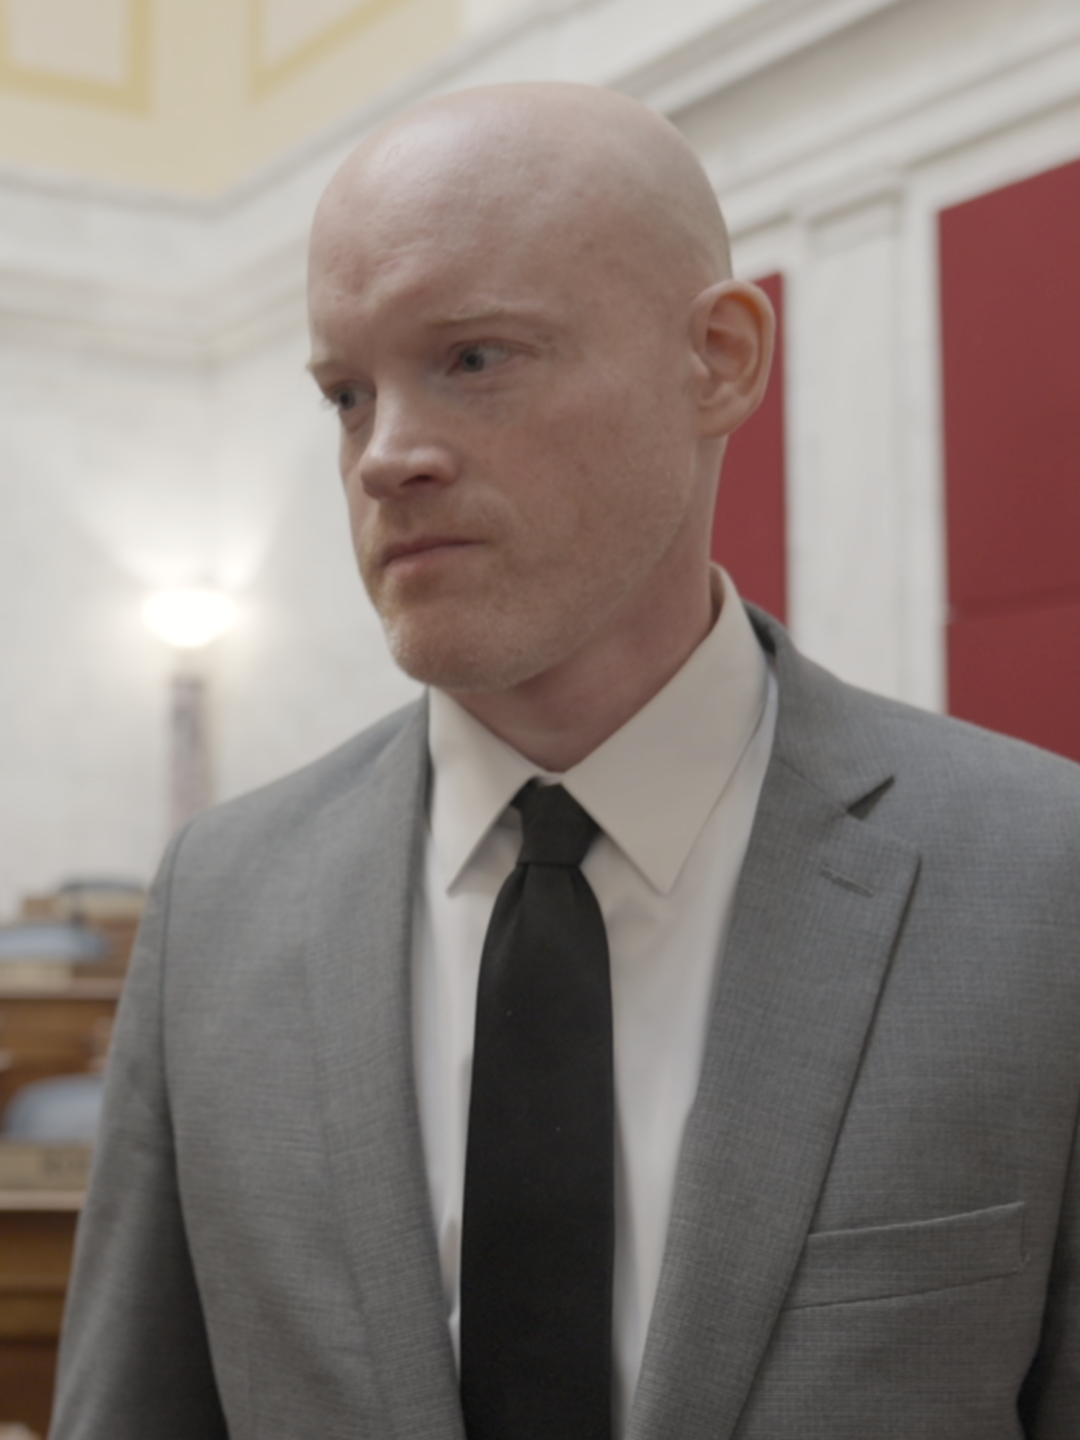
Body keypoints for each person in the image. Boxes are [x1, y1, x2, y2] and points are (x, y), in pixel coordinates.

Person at [50, 83, 1079, 1440]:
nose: (386, 457)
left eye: (474, 357)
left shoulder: (1036, 878)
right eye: (348, 393)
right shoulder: (224, 906)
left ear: (717, 358)